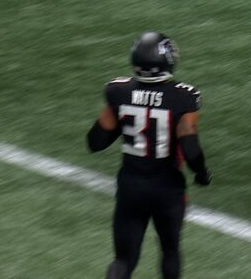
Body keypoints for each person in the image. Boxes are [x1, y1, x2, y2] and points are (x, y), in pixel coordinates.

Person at [87, 31, 211, 278]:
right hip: (167, 188)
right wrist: (202, 173)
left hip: (131, 185)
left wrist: (122, 118)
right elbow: (190, 148)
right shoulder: (183, 96)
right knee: (170, 250)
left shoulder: (118, 91)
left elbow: (96, 142)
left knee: (123, 259)